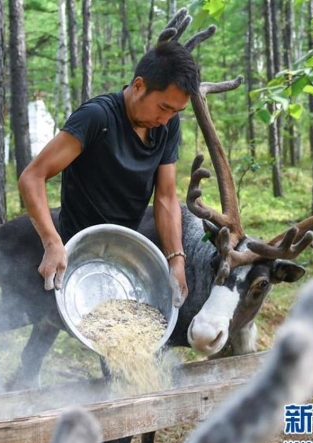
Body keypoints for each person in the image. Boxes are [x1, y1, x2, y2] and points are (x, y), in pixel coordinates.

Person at [18, 39, 199, 304]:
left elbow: (166, 197)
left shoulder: (167, 127)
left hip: (120, 249)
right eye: (163, 107)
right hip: (74, 249)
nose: (166, 119)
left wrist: (176, 259)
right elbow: (32, 177)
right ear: (139, 86)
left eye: (176, 112)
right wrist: (51, 242)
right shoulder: (97, 118)